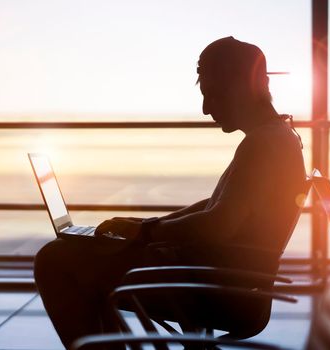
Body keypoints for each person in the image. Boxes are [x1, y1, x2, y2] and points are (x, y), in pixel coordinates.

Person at [34, 36, 307, 349]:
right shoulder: (277, 137)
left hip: (217, 290)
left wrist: (147, 232)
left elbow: (219, 223)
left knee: (55, 260)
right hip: (228, 280)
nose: (206, 109)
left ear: (240, 87)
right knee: (87, 256)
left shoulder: (262, 145)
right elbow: (217, 206)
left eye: (212, 96)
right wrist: (145, 226)